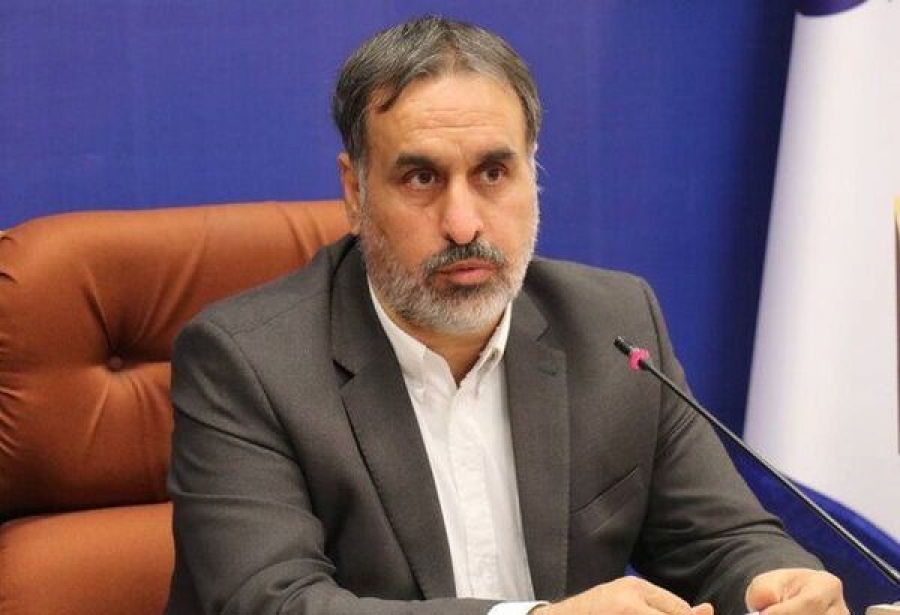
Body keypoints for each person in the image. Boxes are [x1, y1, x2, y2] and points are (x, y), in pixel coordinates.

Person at [165, 16, 848, 615]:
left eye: (493, 173)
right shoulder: (247, 364)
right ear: (355, 189)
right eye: (421, 178)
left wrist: (771, 583)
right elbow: (275, 603)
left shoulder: (613, 324)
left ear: (532, 169)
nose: (464, 224)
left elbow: (720, 538)